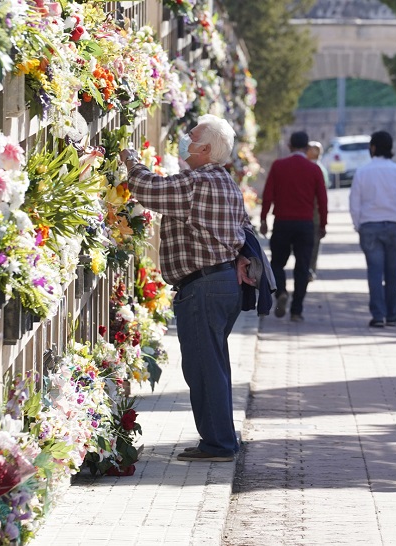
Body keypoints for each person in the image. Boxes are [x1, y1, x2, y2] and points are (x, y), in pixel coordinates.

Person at [120, 114, 254, 462]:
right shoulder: (225, 182)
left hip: (204, 286)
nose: (184, 141)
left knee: (204, 368)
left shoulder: (198, 183)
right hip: (223, 282)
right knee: (214, 365)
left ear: (206, 149)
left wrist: (129, 159)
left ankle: (219, 444)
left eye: (191, 137)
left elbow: (150, 189)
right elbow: (243, 227)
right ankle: (221, 439)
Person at [260, 131, 328, 322]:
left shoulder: (278, 166)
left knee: (277, 263)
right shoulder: (314, 169)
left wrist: (264, 218)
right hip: (305, 224)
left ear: (289, 146)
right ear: (307, 148)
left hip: (282, 222)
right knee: (303, 267)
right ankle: (297, 310)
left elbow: (268, 195)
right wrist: (322, 224)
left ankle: (281, 291)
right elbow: (322, 200)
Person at [349, 130, 396, 328]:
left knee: (375, 272)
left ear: (373, 148)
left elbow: (354, 202)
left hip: (370, 225)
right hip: (395, 225)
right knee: (393, 272)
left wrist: (358, 224)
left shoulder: (362, 171)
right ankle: (392, 315)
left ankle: (378, 315)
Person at [306, 141, 330, 282]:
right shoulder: (320, 168)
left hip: (311, 213)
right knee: (313, 246)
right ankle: (310, 269)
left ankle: (309, 270)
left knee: (311, 245)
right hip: (314, 214)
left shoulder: (315, 169)